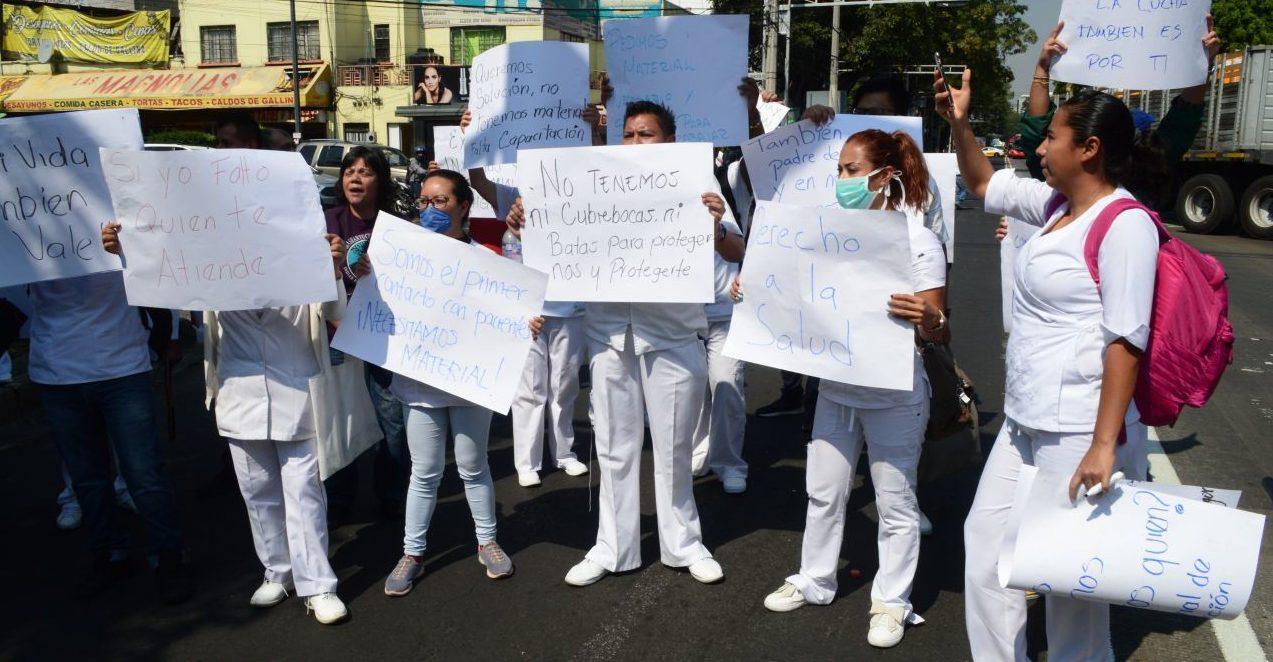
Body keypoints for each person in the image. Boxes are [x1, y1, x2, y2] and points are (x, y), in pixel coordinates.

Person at [936, 67, 1159, 661]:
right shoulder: (1056, 205)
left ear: (1090, 149)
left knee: (1069, 580)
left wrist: (1104, 445)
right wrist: (960, 125)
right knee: (986, 550)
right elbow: (983, 183)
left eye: (1052, 137)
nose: (1039, 147)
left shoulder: (1126, 224)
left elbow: (1126, 341)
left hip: (1079, 428)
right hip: (1025, 418)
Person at [102, 215, 351, 624]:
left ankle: (318, 584)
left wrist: (334, 268)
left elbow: (335, 310)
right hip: (239, 390)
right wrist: (124, 251)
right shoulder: (211, 262)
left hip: (297, 389)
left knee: (304, 492)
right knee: (256, 490)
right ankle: (277, 570)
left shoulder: (304, 252)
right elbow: (161, 276)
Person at [754, 128, 948, 649]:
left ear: (884, 177)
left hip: (894, 395)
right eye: (839, 169)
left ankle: (892, 601)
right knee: (823, 493)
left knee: (896, 504)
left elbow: (939, 327)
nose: (841, 180)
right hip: (837, 391)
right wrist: (751, 290)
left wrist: (927, 316)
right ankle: (814, 579)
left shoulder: (917, 240)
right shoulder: (825, 231)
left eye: (852, 170)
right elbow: (792, 293)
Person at [548, 97, 747, 588]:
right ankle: (612, 547)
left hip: (673, 335)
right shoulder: (595, 182)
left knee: (675, 448)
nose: (636, 142)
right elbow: (556, 233)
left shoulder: (698, 182)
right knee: (614, 447)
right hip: (609, 335)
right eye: (629, 133)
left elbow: (738, 249)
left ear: (669, 141)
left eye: (647, 134)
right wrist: (527, 220)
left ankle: (685, 544)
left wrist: (716, 226)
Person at [755, 74, 949, 423]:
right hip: (833, 338)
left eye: (880, 112)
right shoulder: (830, 167)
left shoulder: (922, 184)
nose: (868, 117)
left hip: (891, 349)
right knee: (822, 423)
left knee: (890, 441)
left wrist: (932, 315)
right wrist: (805, 130)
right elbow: (792, 226)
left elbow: (937, 261)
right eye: (862, 111)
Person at [381, 169, 515, 596]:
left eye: (440, 201)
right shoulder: (401, 256)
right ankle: (412, 553)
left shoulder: (487, 260)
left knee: (474, 467)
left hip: (471, 384)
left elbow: (511, 313)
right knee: (424, 472)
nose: (429, 209)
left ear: (463, 205)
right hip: (420, 386)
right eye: (423, 201)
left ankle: (487, 541)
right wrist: (365, 273)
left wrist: (526, 323)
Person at [27, 270, 190, 603]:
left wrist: (169, 334)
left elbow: (157, 267)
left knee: (144, 474)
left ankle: (169, 559)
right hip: (57, 370)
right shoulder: (20, 239)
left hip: (122, 366)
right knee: (87, 479)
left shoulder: (122, 233)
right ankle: (110, 553)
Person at [456, 109, 590, 488]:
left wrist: (594, 130)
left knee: (565, 386)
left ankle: (564, 453)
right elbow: (478, 181)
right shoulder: (514, 197)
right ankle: (527, 462)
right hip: (528, 308)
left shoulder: (583, 196)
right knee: (529, 389)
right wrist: (472, 138)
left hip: (570, 307)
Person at [323, 146, 411, 523]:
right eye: (349, 171)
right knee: (339, 419)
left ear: (380, 181)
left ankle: (391, 495)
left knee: (390, 419)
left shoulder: (396, 228)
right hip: (336, 335)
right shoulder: (326, 221)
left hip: (381, 338)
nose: (355, 178)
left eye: (365, 172)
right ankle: (338, 501)